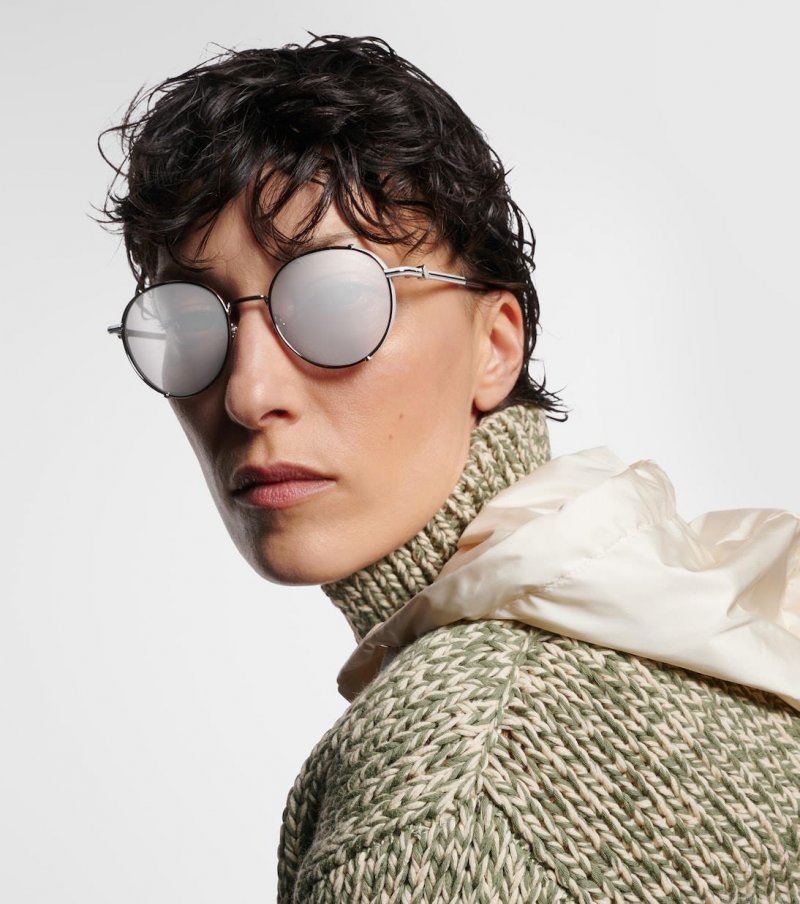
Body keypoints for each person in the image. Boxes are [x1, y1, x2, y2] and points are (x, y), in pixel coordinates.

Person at [99, 33, 800, 903]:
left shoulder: (448, 778)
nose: (247, 392)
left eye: (331, 303)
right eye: (189, 323)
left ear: (495, 346)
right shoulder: (682, 619)